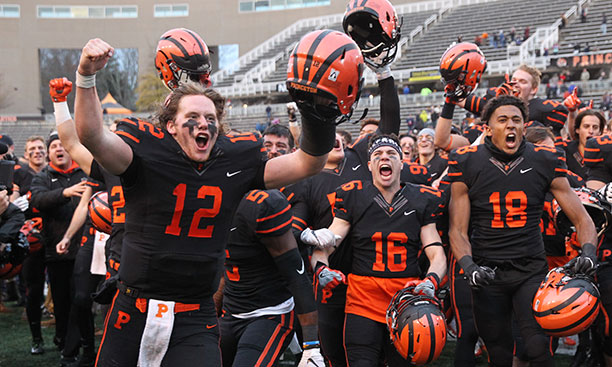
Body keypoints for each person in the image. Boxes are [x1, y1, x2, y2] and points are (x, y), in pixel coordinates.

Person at [73, 32, 359, 365]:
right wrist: (86, 75)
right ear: (170, 126)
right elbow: (91, 134)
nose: (202, 124)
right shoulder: (145, 153)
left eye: (210, 119)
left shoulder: (234, 160)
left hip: (194, 317)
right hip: (132, 309)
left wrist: (317, 109)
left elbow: (308, 161)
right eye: (191, 118)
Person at [448, 95, 598, 366]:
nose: (511, 126)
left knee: (537, 347)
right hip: (487, 271)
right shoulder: (466, 161)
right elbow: (457, 230)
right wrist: (469, 267)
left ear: (524, 126)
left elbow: (582, 218)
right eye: (502, 120)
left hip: (530, 268)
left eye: (516, 120)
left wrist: (588, 252)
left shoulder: (545, 158)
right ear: (487, 128)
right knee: (499, 351)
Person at [302, 134, 446, 366]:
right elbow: (326, 244)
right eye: (377, 155)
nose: (384, 158)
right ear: (370, 166)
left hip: (405, 300)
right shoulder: (354, 196)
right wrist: (321, 268)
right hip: (363, 300)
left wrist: (431, 280)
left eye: (391, 154)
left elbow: (436, 253)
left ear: (401, 163)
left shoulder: (420, 199)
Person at [220, 124, 321, 367]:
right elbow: (221, 269)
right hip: (231, 309)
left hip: (270, 312)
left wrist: (312, 345)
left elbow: (296, 274)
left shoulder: (262, 203)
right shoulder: (206, 196)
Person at [30, 132, 89, 358]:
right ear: (49, 153)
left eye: (63, 145)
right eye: (54, 146)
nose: (59, 149)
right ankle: (64, 342)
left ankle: (86, 343)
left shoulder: (84, 171)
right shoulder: (43, 177)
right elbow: (37, 200)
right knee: (62, 303)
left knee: (82, 300)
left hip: (84, 249)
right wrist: (65, 193)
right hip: (57, 251)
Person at [12, 136, 47, 355]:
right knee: (33, 290)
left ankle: (64, 336)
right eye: (32, 149)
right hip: (32, 241)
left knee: (64, 291)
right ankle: (37, 338)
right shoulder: (20, 174)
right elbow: (13, 199)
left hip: (56, 237)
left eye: (40, 148)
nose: (37, 151)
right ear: (26, 154)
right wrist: (16, 203)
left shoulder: (54, 172)